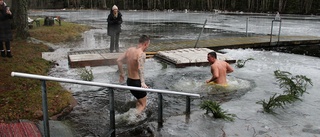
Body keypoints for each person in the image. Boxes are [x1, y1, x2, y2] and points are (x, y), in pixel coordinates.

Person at [117, 35, 150, 114]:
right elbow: (140, 68)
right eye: (148, 45)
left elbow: (118, 60)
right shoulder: (141, 54)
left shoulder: (129, 50)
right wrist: (142, 82)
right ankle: (133, 118)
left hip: (129, 81)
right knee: (143, 104)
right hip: (136, 82)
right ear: (145, 44)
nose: (148, 47)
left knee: (139, 101)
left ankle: (135, 112)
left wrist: (122, 74)